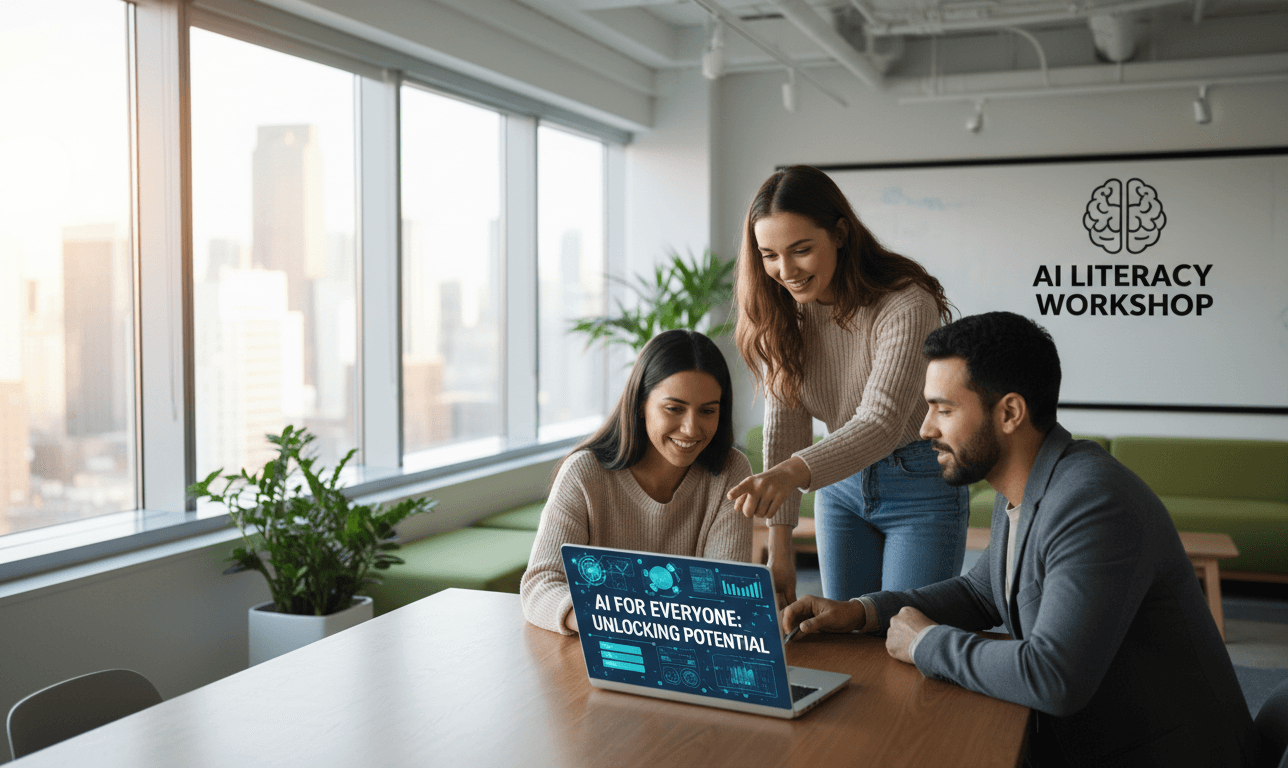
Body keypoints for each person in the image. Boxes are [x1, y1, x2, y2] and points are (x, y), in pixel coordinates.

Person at [783, 312, 1259, 766]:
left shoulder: (1092, 502)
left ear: (1009, 412)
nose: (925, 429)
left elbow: (1054, 676)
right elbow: (978, 592)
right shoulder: (1030, 487)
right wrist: (860, 612)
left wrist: (926, 643)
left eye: (943, 410)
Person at [729, 165, 966, 608]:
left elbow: (881, 421)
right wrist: (780, 545)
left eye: (801, 250)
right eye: (769, 255)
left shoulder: (905, 303)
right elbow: (787, 423)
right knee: (844, 639)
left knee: (904, 638)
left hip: (918, 485)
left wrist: (790, 474)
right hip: (838, 486)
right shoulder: (787, 310)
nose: (785, 270)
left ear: (840, 233)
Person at [521, 329, 754, 635]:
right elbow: (540, 584)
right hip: (600, 647)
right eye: (674, 408)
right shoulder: (583, 473)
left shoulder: (731, 472)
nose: (690, 428)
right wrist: (606, 622)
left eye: (708, 411)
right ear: (641, 403)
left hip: (688, 651)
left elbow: (726, 595)